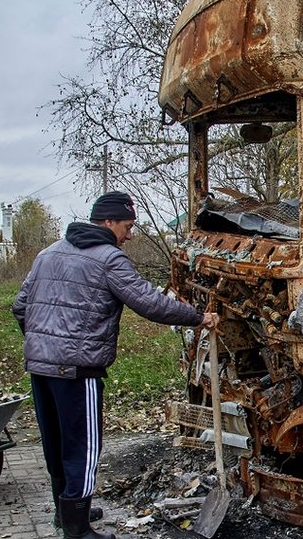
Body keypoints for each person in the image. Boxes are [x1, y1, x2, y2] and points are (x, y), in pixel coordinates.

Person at [13, 191, 219, 539]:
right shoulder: (108, 258)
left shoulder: (48, 254)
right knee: (84, 448)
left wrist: (44, 346)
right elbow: (149, 303)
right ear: (108, 222)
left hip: (41, 369)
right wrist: (199, 317)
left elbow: (21, 306)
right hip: (78, 372)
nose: (130, 234)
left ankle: (67, 515)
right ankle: (79, 532)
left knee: (57, 444)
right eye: (127, 225)